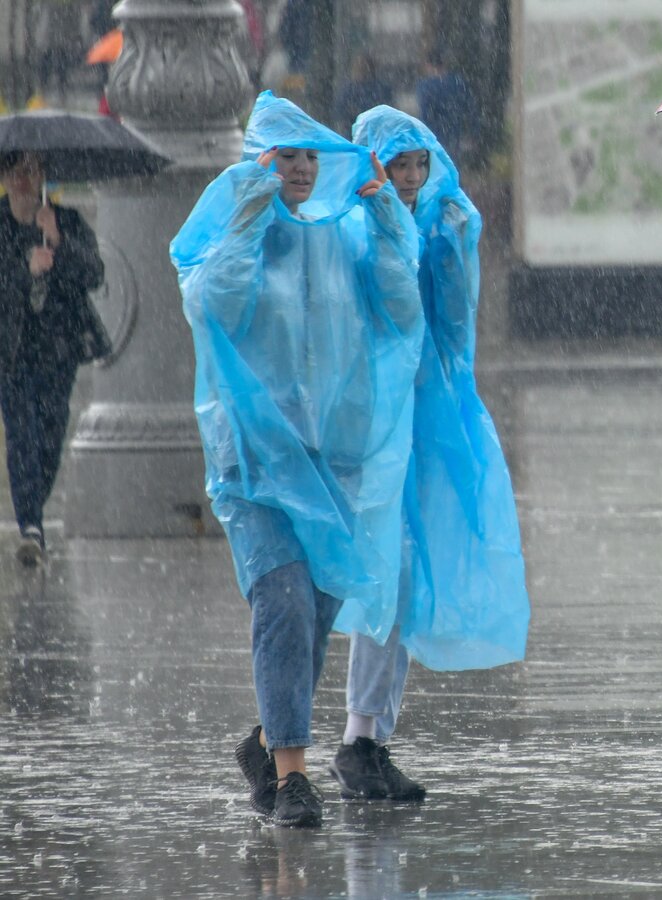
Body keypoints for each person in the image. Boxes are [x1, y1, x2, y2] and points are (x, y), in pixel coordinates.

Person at [171, 91, 424, 827]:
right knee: (281, 600)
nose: (304, 170)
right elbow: (213, 308)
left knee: (311, 618)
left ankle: (266, 743)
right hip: (253, 465)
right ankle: (290, 779)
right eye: (288, 157)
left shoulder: (341, 236)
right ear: (259, 163)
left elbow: (401, 311)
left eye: (312, 155)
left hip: (329, 463)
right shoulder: (238, 234)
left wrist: (384, 224)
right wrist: (247, 223)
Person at [329, 105, 530, 802]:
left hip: (416, 419)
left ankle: (368, 737)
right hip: (370, 424)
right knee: (377, 576)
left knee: (401, 581)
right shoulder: (354, 227)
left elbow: (449, 331)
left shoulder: (426, 223)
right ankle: (320, 735)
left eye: (420, 165)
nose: (412, 179)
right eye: (400, 165)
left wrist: (456, 253)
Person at [0, 151, 106, 566]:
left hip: (58, 348)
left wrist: (58, 243)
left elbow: (94, 274)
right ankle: (31, 526)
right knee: (21, 434)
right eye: (15, 170)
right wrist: (26, 270)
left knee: (49, 437)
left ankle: (34, 511)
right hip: (12, 351)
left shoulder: (67, 220)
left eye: (32, 170)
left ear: (44, 174)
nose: (24, 179)